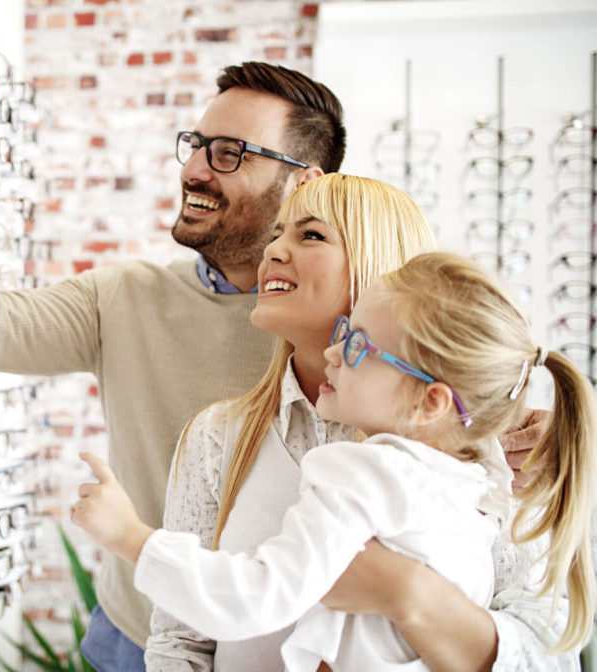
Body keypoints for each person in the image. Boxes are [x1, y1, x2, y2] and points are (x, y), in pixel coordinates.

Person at [0, 56, 553, 670]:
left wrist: (414, 595)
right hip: (142, 631)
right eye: (197, 144)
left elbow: (542, 634)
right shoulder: (131, 304)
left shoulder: (433, 381)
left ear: (307, 180)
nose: (196, 169)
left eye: (230, 153)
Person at [72, 249, 597, 670]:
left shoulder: (359, 470)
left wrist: (128, 537)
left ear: (430, 401)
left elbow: (256, 596)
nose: (334, 350)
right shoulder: (471, 487)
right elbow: (182, 644)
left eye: (357, 341)